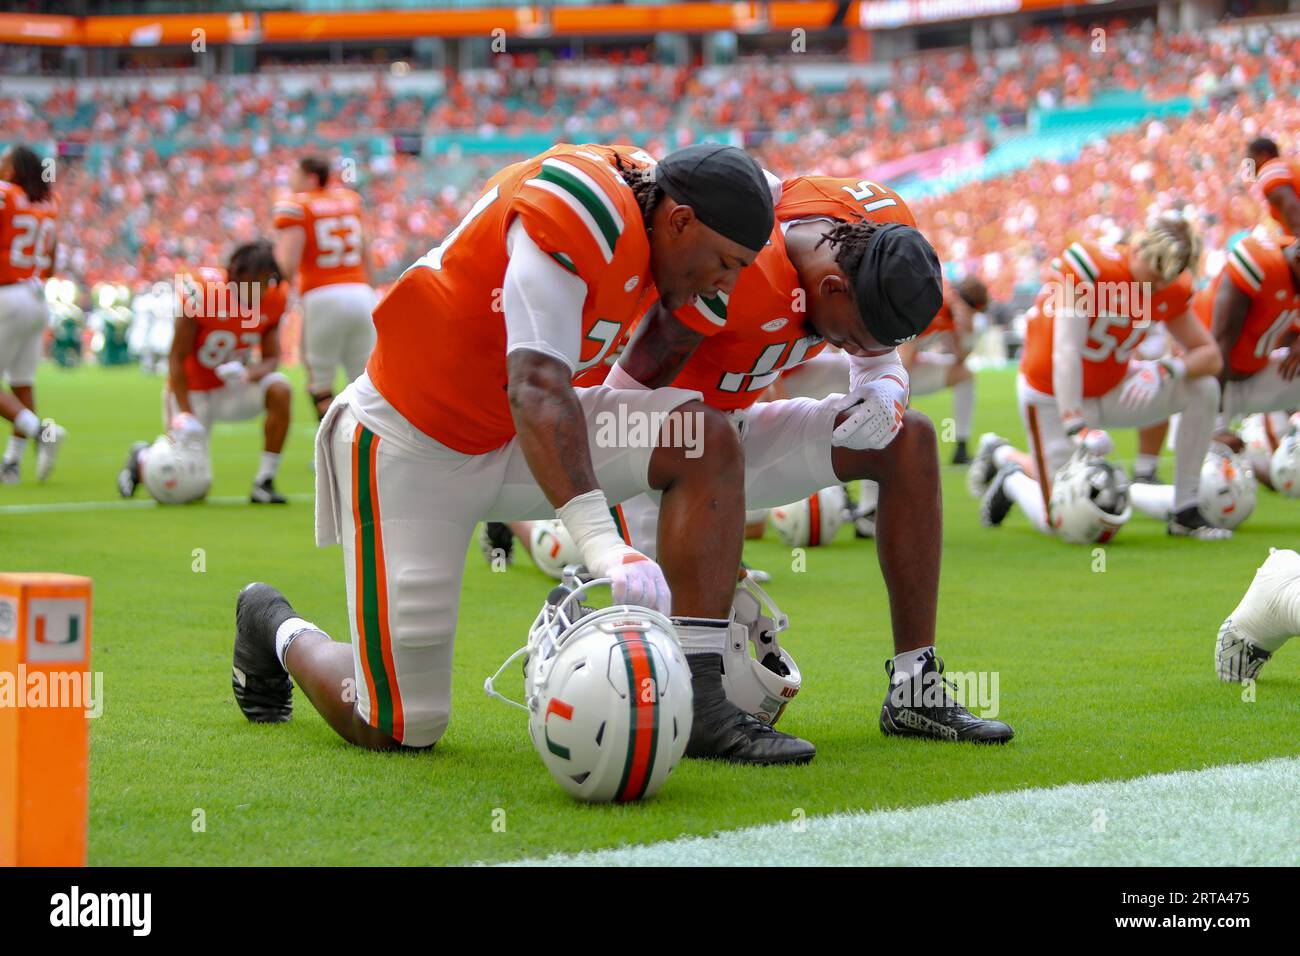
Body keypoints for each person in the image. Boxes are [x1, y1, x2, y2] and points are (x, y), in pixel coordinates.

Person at [230, 143, 817, 765]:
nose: (727, 282)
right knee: (399, 727)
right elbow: (535, 383)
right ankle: (275, 627)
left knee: (701, 438)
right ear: (678, 221)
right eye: (726, 261)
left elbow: (778, 190)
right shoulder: (584, 203)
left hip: (523, 439)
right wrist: (602, 541)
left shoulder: (669, 206)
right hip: (415, 443)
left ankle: (701, 697)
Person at [588, 175, 1014, 743]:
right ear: (834, 288)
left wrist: (886, 386)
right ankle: (702, 706)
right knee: (700, 675)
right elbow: (622, 414)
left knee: (908, 439)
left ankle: (914, 689)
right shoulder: (731, 262)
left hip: (733, 436)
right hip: (666, 455)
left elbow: (881, 363)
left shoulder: (873, 230)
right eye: (860, 337)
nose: (862, 352)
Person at [972, 213, 1229, 539]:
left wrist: (1166, 368)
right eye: (1153, 275)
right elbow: (1065, 351)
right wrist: (1076, 425)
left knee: (1202, 388)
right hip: (1053, 395)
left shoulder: (1169, 286)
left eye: (1167, 279)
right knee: (1065, 522)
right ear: (1137, 250)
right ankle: (1010, 473)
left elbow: (1210, 356)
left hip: (1113, 387)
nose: (1157, 288)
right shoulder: (1090, 267)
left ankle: (1185, 508)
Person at [123, 240, 293, 504]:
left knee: (280, 388)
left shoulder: (273, 298)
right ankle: (142, 458)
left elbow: (272, 359)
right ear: (237, 274)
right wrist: (186, 413)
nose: (261, 289)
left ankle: (264, 481)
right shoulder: (204, 292)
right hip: (192, 391)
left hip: (230, 390)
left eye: (266, 281)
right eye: (256, 281)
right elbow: (177, 357)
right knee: (190, 488)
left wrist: (248, 373)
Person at [273, 155, 378, 419]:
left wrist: (281, 297)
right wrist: (370, 291)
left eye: (295, 173)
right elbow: (367, 250)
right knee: (365, 381)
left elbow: (287, 263)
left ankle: (331, 453)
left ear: (310, 177)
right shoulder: (349, 200)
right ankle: (364, 452)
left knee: (320, 382)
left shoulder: (297, 205)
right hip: (362, 293)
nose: (290, 180)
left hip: (322, 296)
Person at [0, 145, 64, 484]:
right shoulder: (49, 203)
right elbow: (52, 262)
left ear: (13, 170)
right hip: (37, 296)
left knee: (16, 385)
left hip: (7, 294)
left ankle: (42, 432)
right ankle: (11, 463)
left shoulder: (5, 194)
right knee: (22, 382)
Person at [1247, 138, 1300, 239]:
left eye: (1250, 158)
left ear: (1263, 156)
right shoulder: (1285, 165)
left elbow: (1290, 204)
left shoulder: (1270, 170)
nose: (1248, 166)